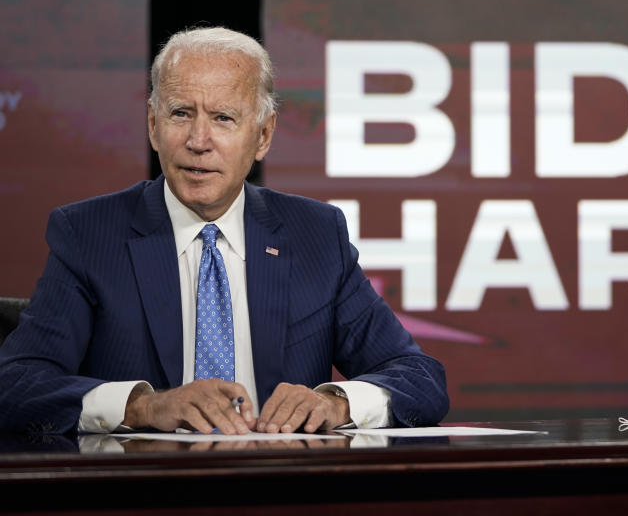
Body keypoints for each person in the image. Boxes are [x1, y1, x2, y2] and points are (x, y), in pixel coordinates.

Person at [0, 27, 448, 434]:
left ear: (264, 136)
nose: (198, 140)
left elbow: (419, 377)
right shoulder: (88, 235)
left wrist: (337, 402)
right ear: (153, 127)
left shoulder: (315, 234)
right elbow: (16, 384)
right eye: (180, 114)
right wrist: (140, 407)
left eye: (223, 118)